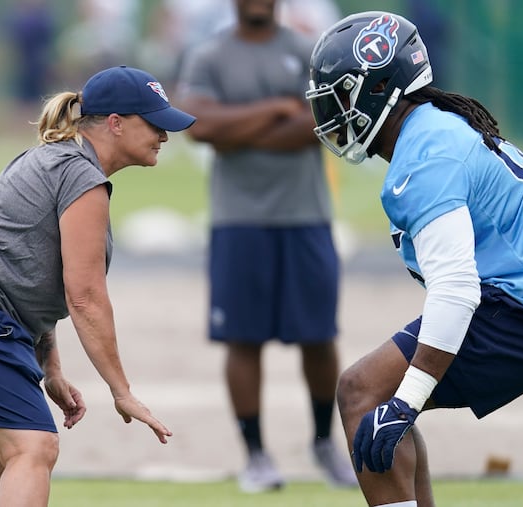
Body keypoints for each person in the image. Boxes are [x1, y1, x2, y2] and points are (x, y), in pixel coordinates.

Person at [305, 11, 523, 507]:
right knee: (375, 396)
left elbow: (456, 289)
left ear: (380, 86)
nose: (332, 111)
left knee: (365, 393)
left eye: (341, 94)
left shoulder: (425, 157)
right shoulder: (433, 128)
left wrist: (405, 400)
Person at [0, 65, 196, 507]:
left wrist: (51, 368)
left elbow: (23, 272)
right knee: (34, 447)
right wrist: (122, 392)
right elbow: (84, 298)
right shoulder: (82, 176)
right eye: (154, 122)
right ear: (115, 123)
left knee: (2, 458)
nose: (165, 135)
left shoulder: (57, 158)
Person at [176, 0, 356, 493]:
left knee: (318, 337)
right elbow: (200, 127)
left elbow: (320, 126)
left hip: (306, 218)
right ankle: (255, 455)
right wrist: (278, 109)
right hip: (237, 221)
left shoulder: (310, 51)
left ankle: (323, 443)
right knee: (242, 339)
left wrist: (237, 129)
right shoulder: (208, 55)